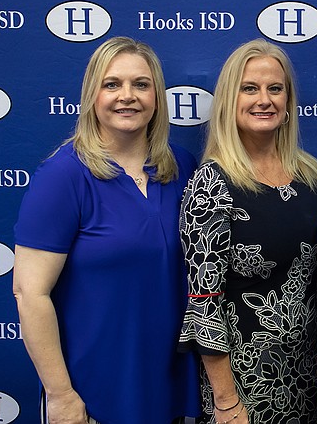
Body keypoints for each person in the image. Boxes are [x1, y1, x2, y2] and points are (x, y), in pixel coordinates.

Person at [12, 37, 201, 423]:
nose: (127, 96)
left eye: (141, 84)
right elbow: (29, 292)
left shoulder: (181, 166)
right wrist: (61, 395)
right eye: (112, 84)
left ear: (157, 97)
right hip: (94, 394)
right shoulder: (64, 175)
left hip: (167, 387)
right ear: (92, 95)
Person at [178, 39, 317, 424]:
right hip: (244, 386)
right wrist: (226, 402)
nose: (264, 99)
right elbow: (204, 303)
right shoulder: (212, 184)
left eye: (274, 88)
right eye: (250, 88)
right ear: (230, 99)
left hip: (305, 377)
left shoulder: (311, 177)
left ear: (289, 100)